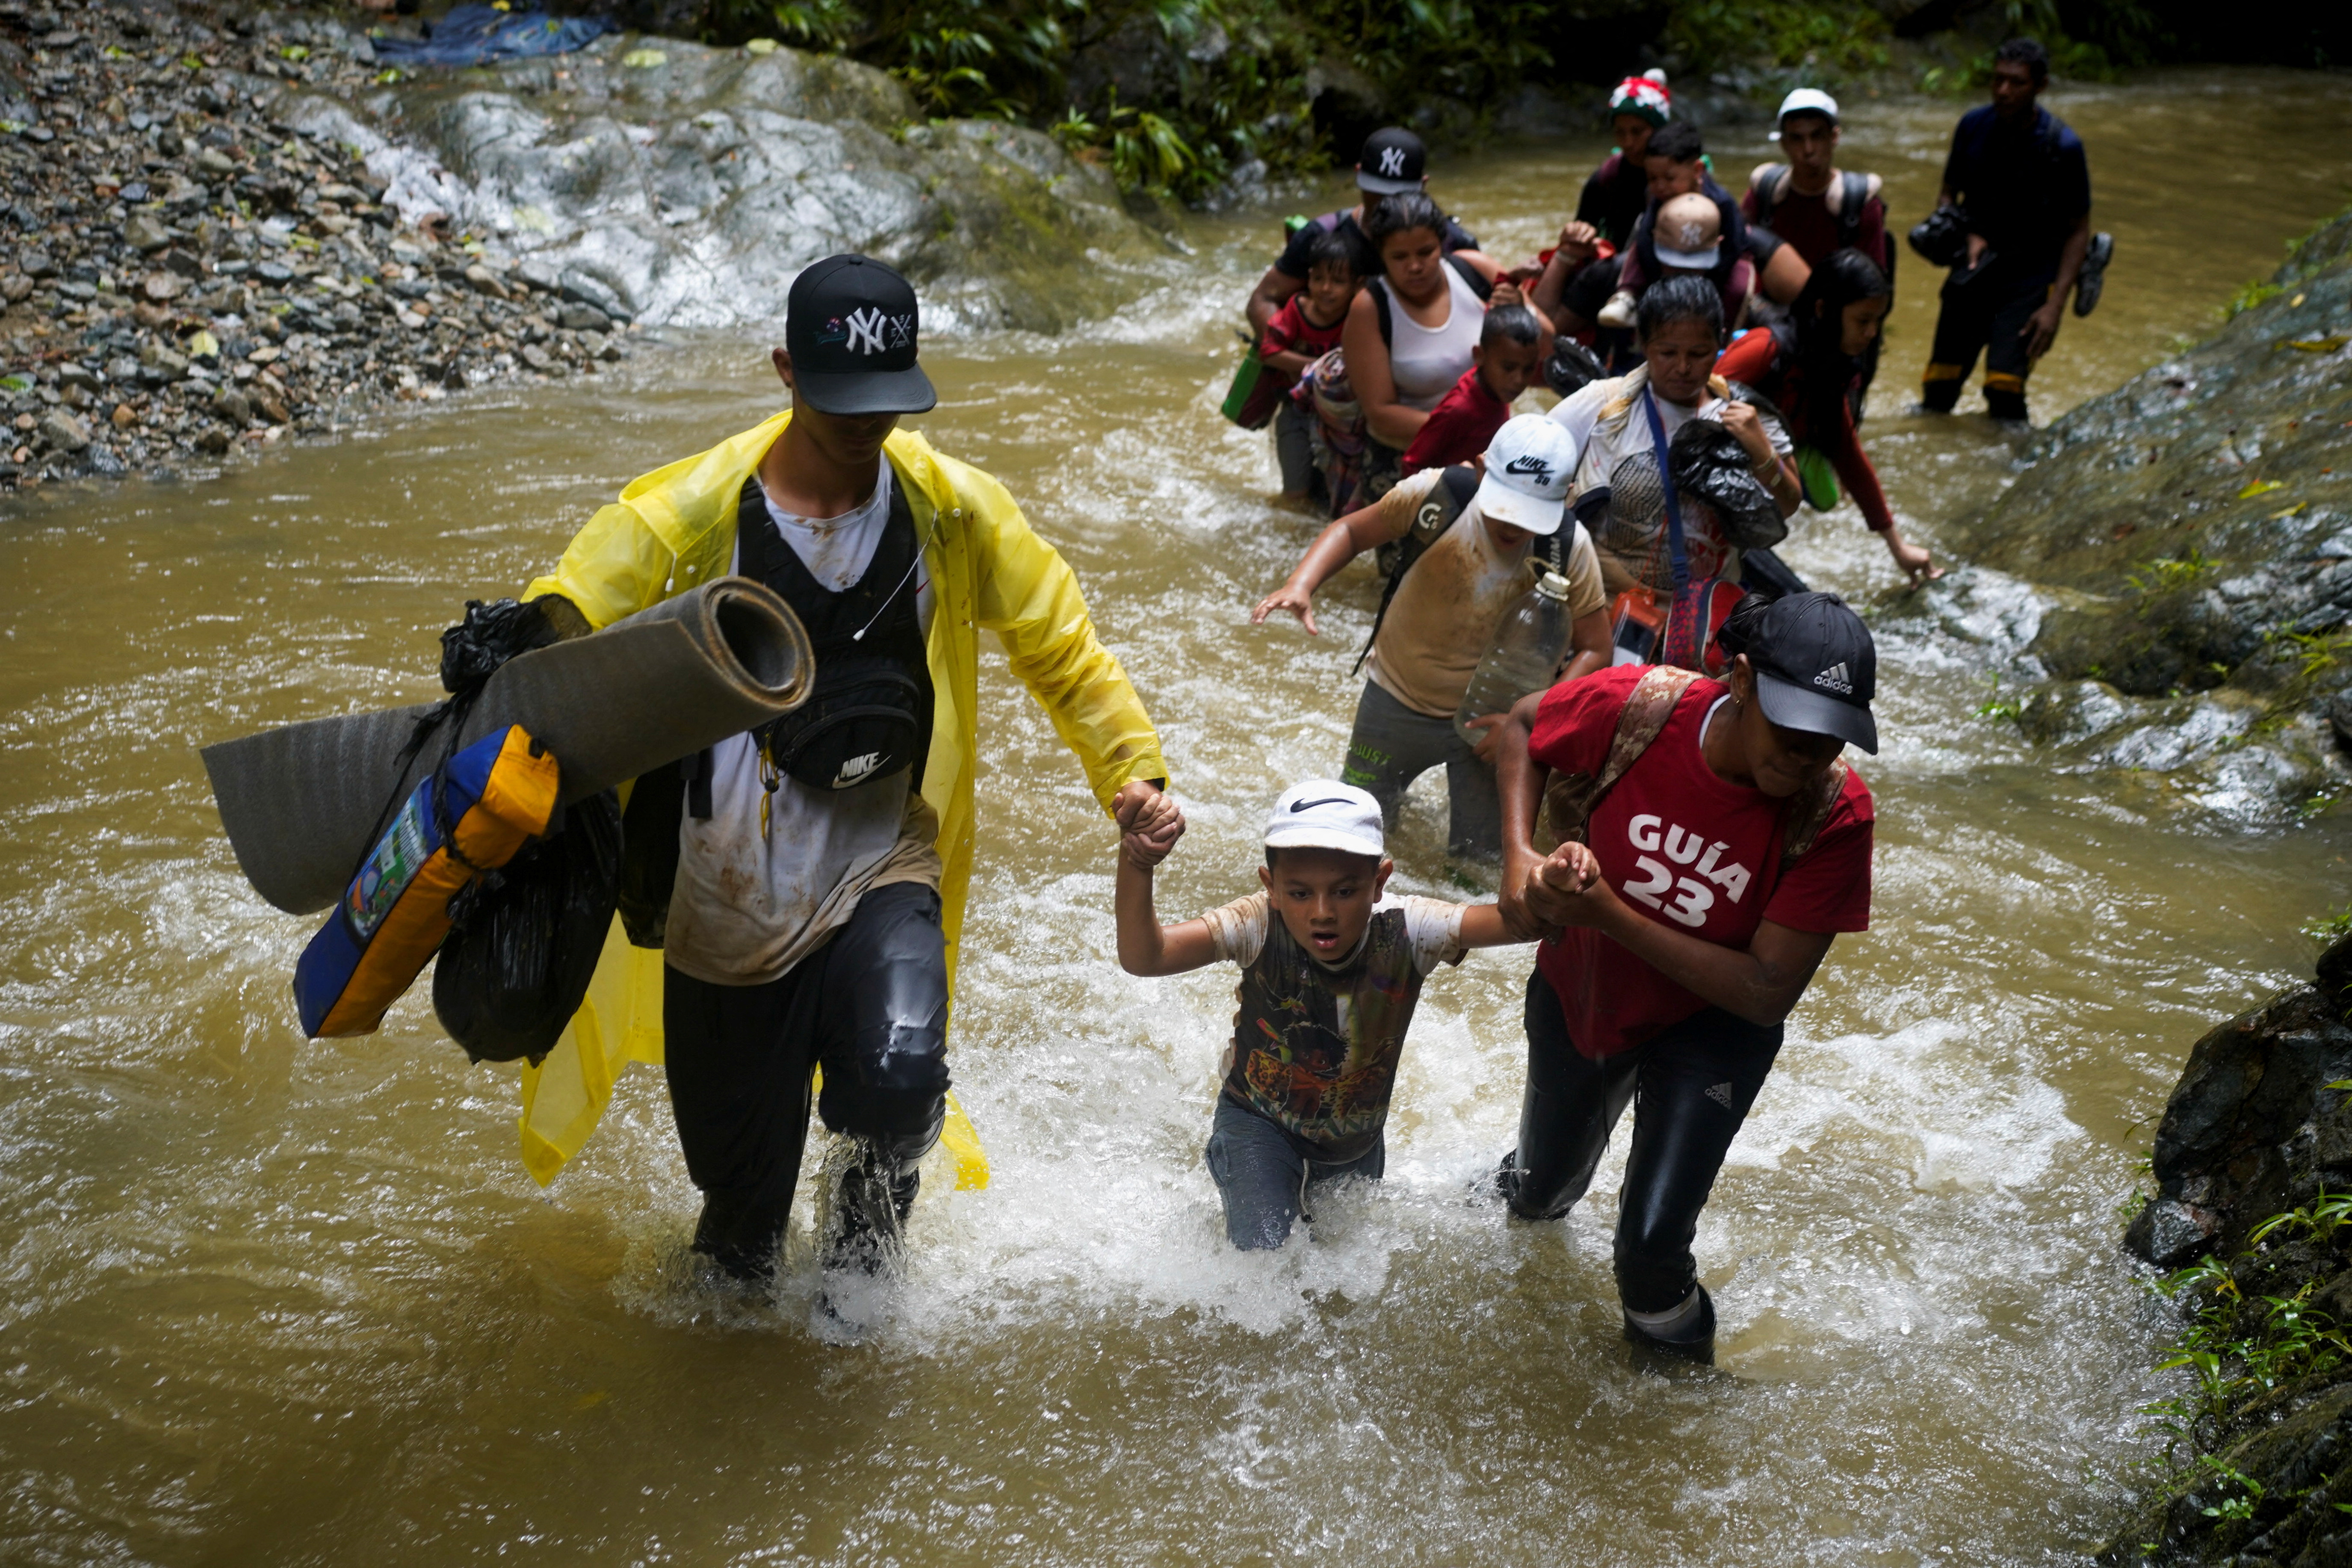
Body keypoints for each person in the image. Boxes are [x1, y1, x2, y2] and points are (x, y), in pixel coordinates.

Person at [517, 254, 1182, 1292]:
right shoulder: (694, 516)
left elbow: (1061, 644)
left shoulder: (950, 509)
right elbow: (561, 621)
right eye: (842, 403)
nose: (867, 425)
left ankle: (861, 1278)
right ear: (784, 369)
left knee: (900, 1079)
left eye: (887, 403)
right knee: (736, 1230)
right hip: (722, 888)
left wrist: (1128, 767)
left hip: (882, 855)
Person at [1489, 590, 1880, 1361]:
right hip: (1587, 989)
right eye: (1793, 730)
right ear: (1739, 680)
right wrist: (1518, 860)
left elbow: (1765, 990)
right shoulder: (1640, 709)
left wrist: (1611, 914)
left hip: (1713, 1030)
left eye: (1828, 740)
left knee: (1649, 1252)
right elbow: (1526, 723)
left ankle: (1681, 1411)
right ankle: (1522, 1174)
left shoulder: (1837, 815)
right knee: (1540, 1195)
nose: (1806, 758)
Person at [1116, 781, 1562, 1249]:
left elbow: (1521, 923)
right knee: (1266, 1261)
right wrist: (1138, 863)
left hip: (1356, 1143)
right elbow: (1146, 958)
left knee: (1343, 1275)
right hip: (1258, 1125)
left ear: (1379, 882)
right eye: (1301, 893)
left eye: (1345, 891)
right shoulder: (1256, 923)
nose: (1322, 912)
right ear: (1271, 888)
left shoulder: (1410, 928)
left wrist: (1551, 881)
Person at [1253, 416, 1610, 862]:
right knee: (1355, 843)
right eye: (1504, 505)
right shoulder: (1437, 497)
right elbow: (1350, 531)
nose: (1514, 525)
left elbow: (1597, 646)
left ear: (1566, 495)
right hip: (1394, 699)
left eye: (1531, 512)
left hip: (1489, 724)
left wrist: (1528, 722)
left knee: (1479, 862)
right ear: (1481, 470)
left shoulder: (1567, 546)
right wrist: (1301, 584)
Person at [1552, 277, 1800, 603]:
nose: (1683, 368)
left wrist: (1762, 452)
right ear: (1643, 343)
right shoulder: (1605, 405)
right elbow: (1525, 459)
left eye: (1698, 353)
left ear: (1720, 343)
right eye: (1667, 353)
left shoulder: (1747, 416)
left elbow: (1788, 505)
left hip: (1700, 622)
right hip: (1605, 607)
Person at [1715, 249, 1941, 583]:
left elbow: (1849, 456)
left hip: (1753, 502)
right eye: (1863, 321)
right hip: (1715, 499)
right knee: (1793, 602)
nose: (1871, 333)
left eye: (1877, 322)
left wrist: (1898, 548)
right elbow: (1694, 402)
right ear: (1823, 310)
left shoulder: (1830, 370)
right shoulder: (1764, 350)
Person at [1918, 37, 2099, 423]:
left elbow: (2078, 229)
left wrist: (2054, 307)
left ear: (2040, 86)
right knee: (1938, 388)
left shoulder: (2062, 147)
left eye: (2016, 82)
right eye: (1998, 80)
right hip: (1974, 266)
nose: (2003, 91)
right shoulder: (1973, 126)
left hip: (2030, 278)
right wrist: (1960, 232)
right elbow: (1949, 193)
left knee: (2005, 392)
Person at [1342, 192, 1508, 502]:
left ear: (1443, 243)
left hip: (1489, 450)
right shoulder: (1369, 308)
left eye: (1426, 252)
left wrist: (1520, 307)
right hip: (1405, 461)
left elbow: (1542, 355)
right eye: (1400, 257)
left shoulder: (1476, 272)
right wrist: (1468, 427)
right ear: (1381, 255)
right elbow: (1380, 413)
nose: (1415, 266)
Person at [1246, 127, 1486, 339]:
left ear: (1423, 186)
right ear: (1358, 174)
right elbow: (1264, 300)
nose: (1384, 202)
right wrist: (1294, 361)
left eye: (1399, 194)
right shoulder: (1321, 235)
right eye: (1376, 191)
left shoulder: (1455, 243)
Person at [1743, 89, 1891, 414]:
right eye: (1797, 139)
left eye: (1818, 137)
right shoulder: (1765, 195)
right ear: (1783, 143)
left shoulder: (1859, 204)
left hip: (1836, 342)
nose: (1808, 150)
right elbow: (1742, 268)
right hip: (1772, 335)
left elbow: (1872, 287)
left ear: (1835, 138)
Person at [1593, 124, 1808, 335]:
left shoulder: (1721, 202)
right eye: (1652, 178)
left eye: (1669, 178)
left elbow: (1734, 246)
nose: (1660, 186)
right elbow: (1647, 238)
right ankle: (1626, 298)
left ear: (1697, 170)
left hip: (1714, 265)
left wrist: (1707, 280)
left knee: (1738, 288)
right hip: (1666, 261)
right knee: (1636, 251)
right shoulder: (1658, 197)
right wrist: (1657, 275)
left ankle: (1725, 336)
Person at [1261, 230, 1361, 502]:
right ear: (1308, 279)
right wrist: (1318, 368)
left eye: (1338, 281)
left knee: (1336, 496)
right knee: (1296, 493)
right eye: (1318, 279)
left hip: (1342, 419)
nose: (1326, 289)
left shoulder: (1360, 315)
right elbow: (1269, 351)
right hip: (1297, 412)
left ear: (1357, 285)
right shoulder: (1298, 309)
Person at [1402, 302, 1544, 475]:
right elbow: (1412, 466)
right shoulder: (1458, 411)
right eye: (1508, 368)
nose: (1519, 380)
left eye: (1528, 369)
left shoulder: (1498, 389)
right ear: (1479, 356)